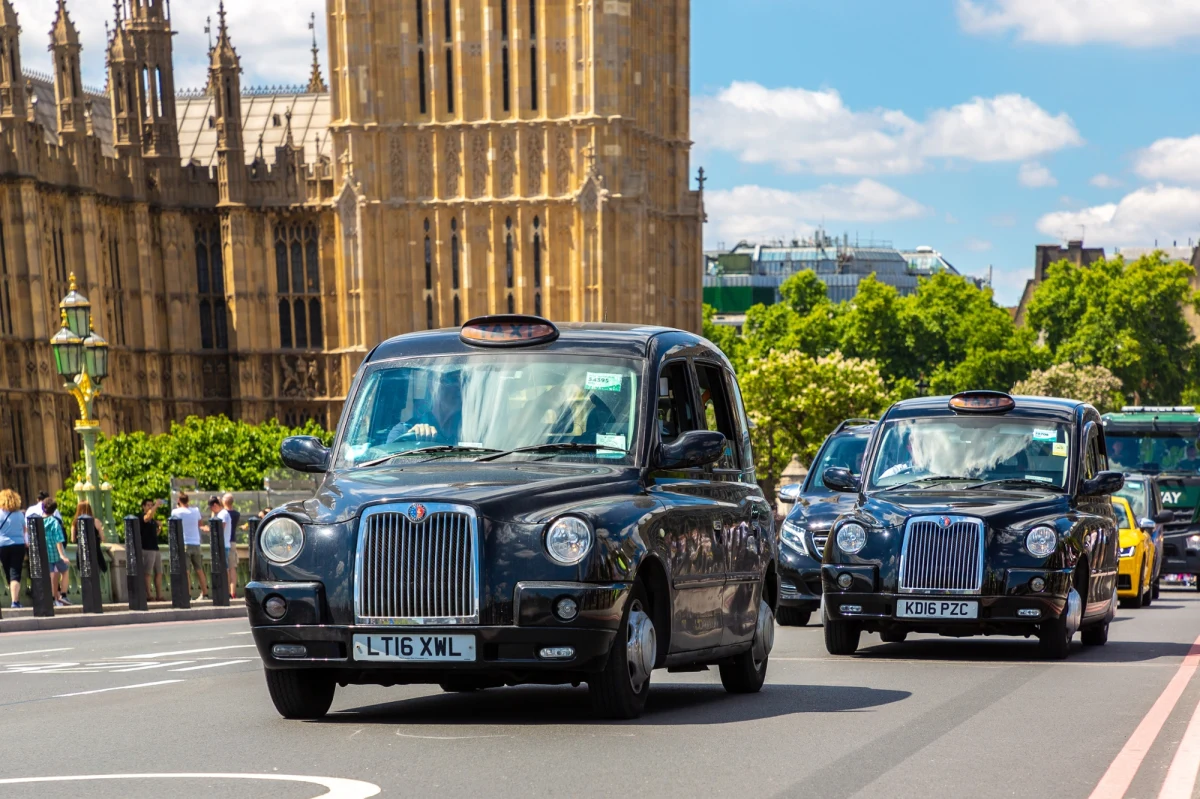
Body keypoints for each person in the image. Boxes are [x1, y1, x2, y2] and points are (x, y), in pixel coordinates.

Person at [386, 370, 464, 445]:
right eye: (452, 379)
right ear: (432, 386)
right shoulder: (404, 431)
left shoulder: (471, 432)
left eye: (465, 380)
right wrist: (414, 443)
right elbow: (389, 457)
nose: (459, 386)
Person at [170, 493, 208, 599]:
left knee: (186, 571)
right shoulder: (195, 510)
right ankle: (205, 593)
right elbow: (200, 524)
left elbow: (173, 524)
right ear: (188, 500)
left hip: (184, 543)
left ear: (178, 500)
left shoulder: (176, 512)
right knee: (199, 569)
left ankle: (188, 594)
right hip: (196, 543)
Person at [41, 500, 71, 606]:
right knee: (65, 571)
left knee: (50, 576)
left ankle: (52, 598)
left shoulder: (38, 521)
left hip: (45, 553)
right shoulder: (54, 522)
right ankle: (63, 595)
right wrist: (62, 555)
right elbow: (58, 539)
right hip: (55, 554)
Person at [207, 496, 238, 600]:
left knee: (225, 569)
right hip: (222, 545)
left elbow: (220, 529)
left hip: (224, 545)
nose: (211, 510)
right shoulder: (221, 514)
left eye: (211, 507)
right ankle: (226, 590)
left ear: (215, 505)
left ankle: (227, 590)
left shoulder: (223, 514)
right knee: (224, 568)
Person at [0, 489, 26, 609]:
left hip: (3, 545)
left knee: (7, 572)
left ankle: (14, 598)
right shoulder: (19, 514)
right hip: (18, 544)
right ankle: (15, 601)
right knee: (15, 572)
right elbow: (25, 530)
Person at [140, 498, 165, 602]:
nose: (150, 507)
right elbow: (147, 517)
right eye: (148, 505)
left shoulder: (153, 520)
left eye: (151, 505)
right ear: (144, 507)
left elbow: (154, 535)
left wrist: (159, 528)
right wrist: (156, 505)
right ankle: (148, 594)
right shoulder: (142, 517)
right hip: (147, 548)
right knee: (148, 573)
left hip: (155, 548)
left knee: (159, 572)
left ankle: (159, 595)